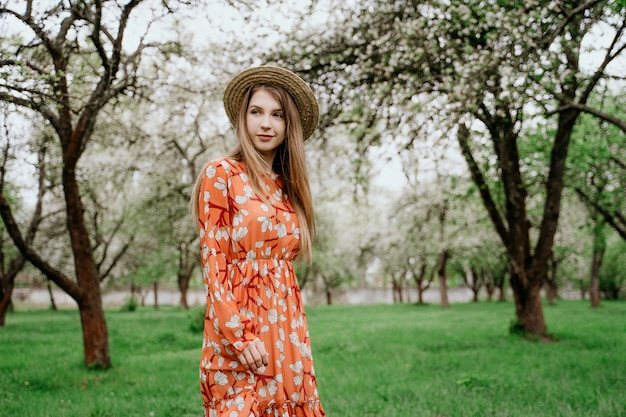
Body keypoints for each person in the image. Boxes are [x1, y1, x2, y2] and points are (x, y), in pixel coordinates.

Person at [190, 66, 326, 417]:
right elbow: (214, 261)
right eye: (256, 112)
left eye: (277, 115)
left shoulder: (288, 187)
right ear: (243, 118)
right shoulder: (222, 173)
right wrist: (239, 336)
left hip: (287, 327)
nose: (266, 124)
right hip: (240, 331)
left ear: (288, 125)